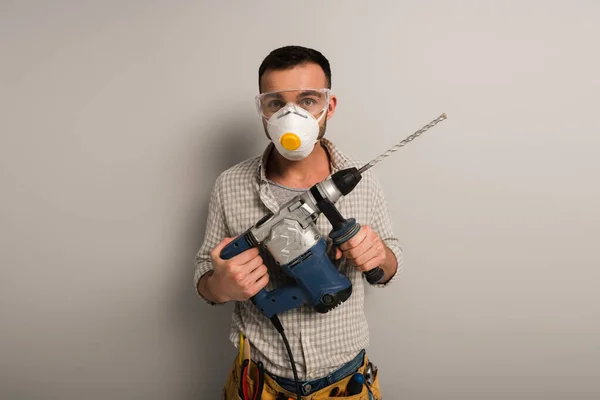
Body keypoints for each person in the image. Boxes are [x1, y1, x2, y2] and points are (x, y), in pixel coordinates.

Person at [194, 45, 403, 400]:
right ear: (262, 110)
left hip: (346, 385)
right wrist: (223, 286)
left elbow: (390, 265)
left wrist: (379, 255)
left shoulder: (362, 180)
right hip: (258, 385)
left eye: (307, 100)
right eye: (276, 103)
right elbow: (204, 277)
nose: (291, 115)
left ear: (328, 107)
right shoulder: (229, 184)